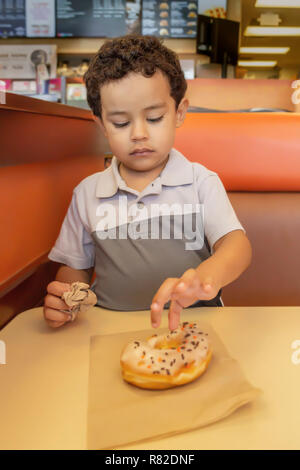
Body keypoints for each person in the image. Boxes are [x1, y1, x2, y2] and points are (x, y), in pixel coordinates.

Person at [44, 34, 252, 331]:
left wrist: (206, 277)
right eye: (120, 123)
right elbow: (75, 267)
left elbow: (237, 245)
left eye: (154, 118)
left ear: (179, 113)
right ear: (101, 125)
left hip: (197, 324)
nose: (138, 133)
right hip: (110, 328)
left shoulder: (200, 182)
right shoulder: (87, 193)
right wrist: (65, 301)